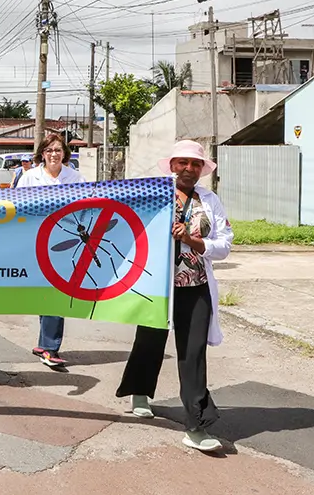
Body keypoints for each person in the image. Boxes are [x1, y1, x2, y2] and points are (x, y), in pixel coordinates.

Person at [116, 140, 232, 453]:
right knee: (150, 341)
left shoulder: (209, 200)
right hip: (157, 285)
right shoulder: (154, 194)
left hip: (195, 287)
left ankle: (195, 426)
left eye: (195, 164)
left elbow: (224, 245)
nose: (189, 169)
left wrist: (193, 240)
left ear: (201, 170)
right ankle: (139, 392)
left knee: (192, 353)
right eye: (183, 162)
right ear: (172, 165)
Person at [16, 134, 85, 368]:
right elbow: (17, 209)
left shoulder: (75, 178)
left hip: (64, 241)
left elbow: (84, 208)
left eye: (58, 150)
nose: (54, 154)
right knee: (42, 291)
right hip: (35, 241)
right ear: (42, 154)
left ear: (65, 153)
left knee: (57, 291)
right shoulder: (29, 178)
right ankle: (44, 342)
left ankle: (50, 348)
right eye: (49, 150)